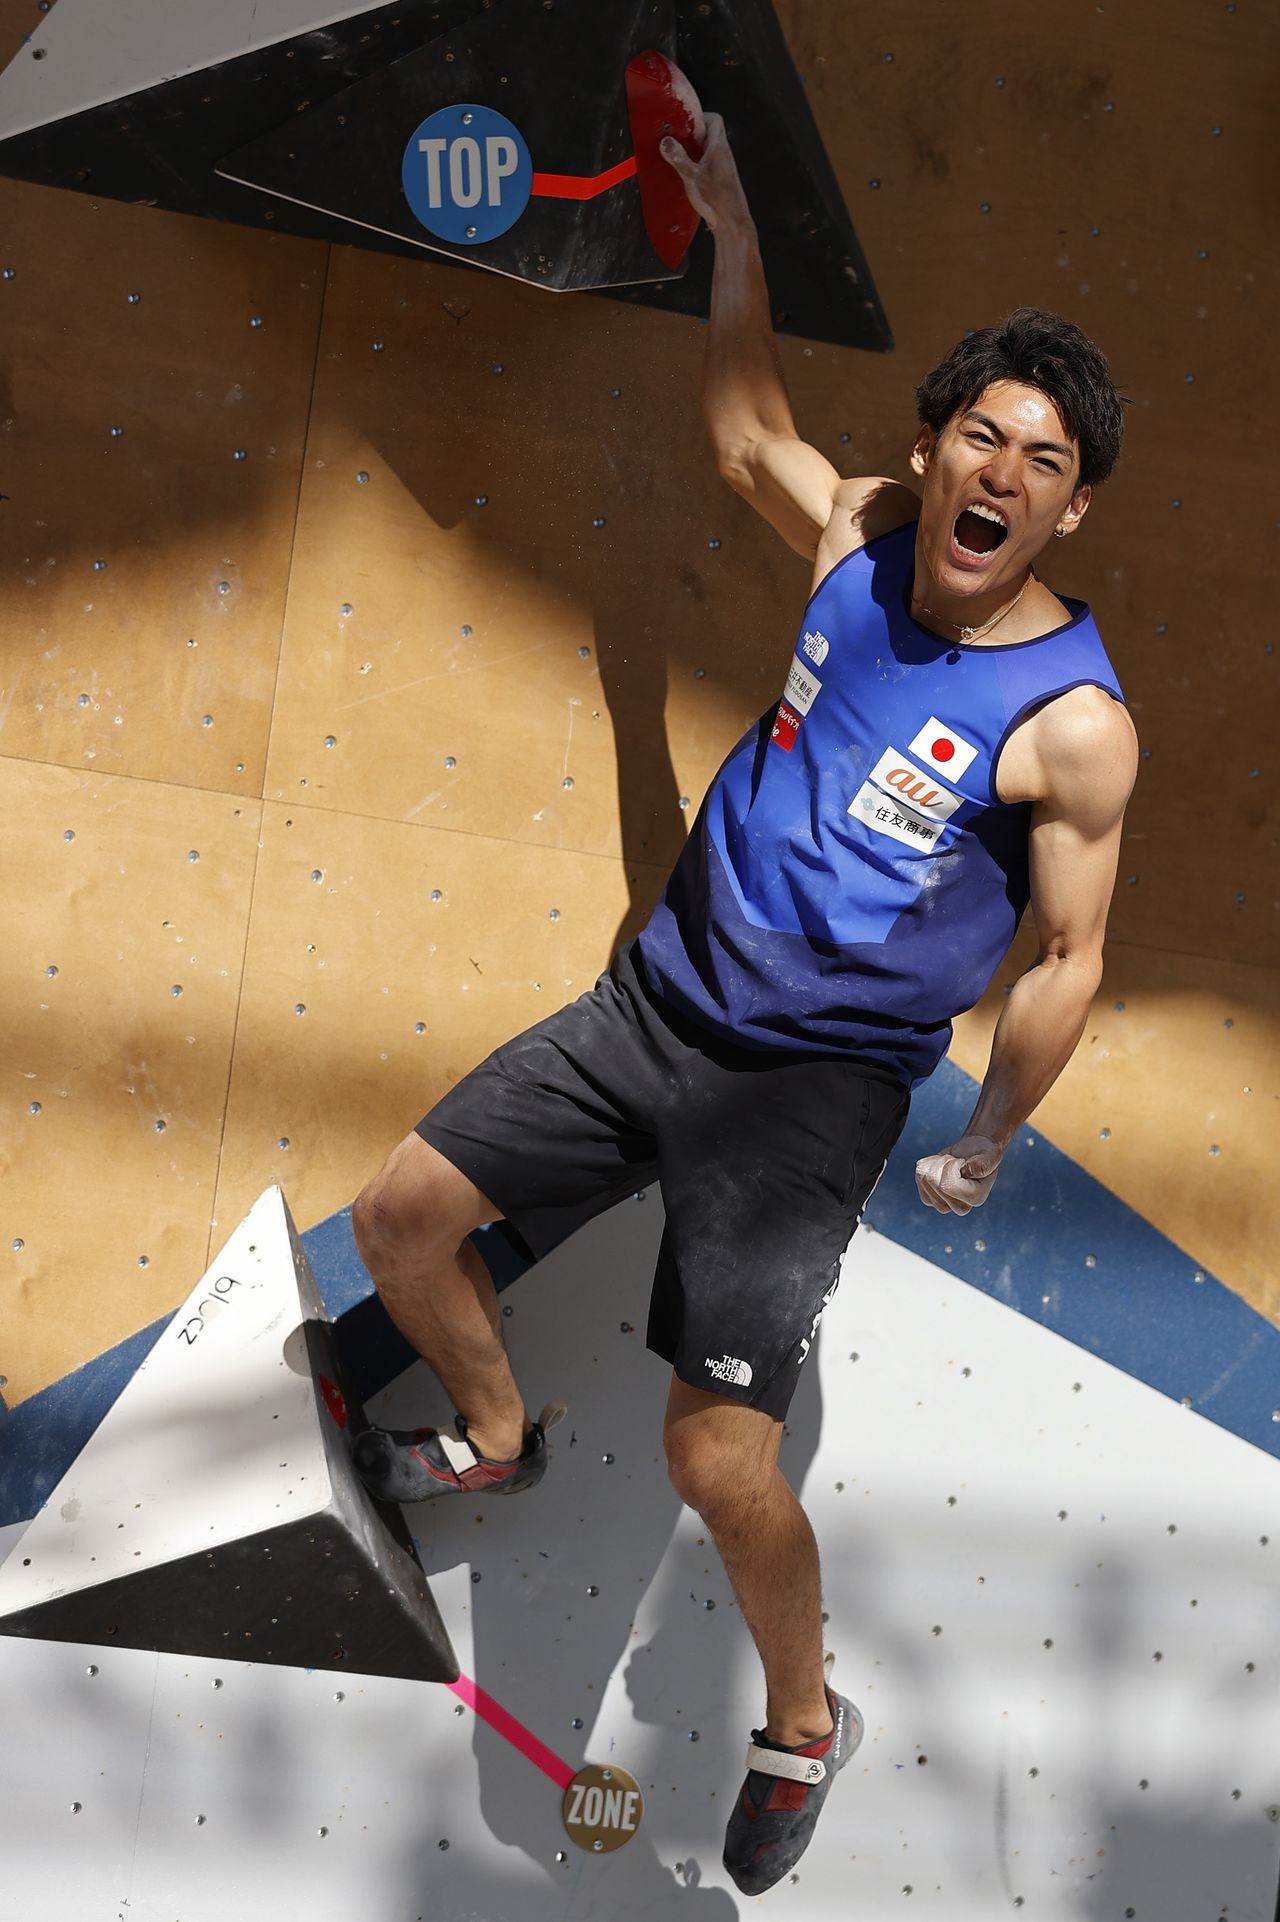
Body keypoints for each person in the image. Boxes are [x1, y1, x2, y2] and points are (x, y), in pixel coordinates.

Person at [348, 106, 1138, 1897]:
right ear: (933, 450)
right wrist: (733, 229)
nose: (1001, 472)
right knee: (401, 1219)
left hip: (815, 1094)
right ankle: (493, 1433)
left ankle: (803, 1715)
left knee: (717, 1460)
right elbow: (746, 431)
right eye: (981, 431)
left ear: (1068, 509)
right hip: (660, 1001)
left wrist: (993, 1132)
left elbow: (1071, 957)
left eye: (1045, 460)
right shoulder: (856, 539)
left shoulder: (1072, 725)